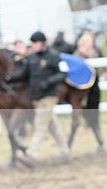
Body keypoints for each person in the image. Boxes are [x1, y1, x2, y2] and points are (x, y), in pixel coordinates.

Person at [8, 31, 70, 162]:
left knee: (40, 125)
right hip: (36, 97)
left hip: (49, 96)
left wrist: (48, 82)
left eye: (35, 43)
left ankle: (32, 153)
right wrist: (8, 78)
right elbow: (23, 74)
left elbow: (62, 74)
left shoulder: (53, 56)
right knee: (53, 126)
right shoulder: (31, 58)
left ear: (42, 43)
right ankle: (65, 151)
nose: (33, 46)